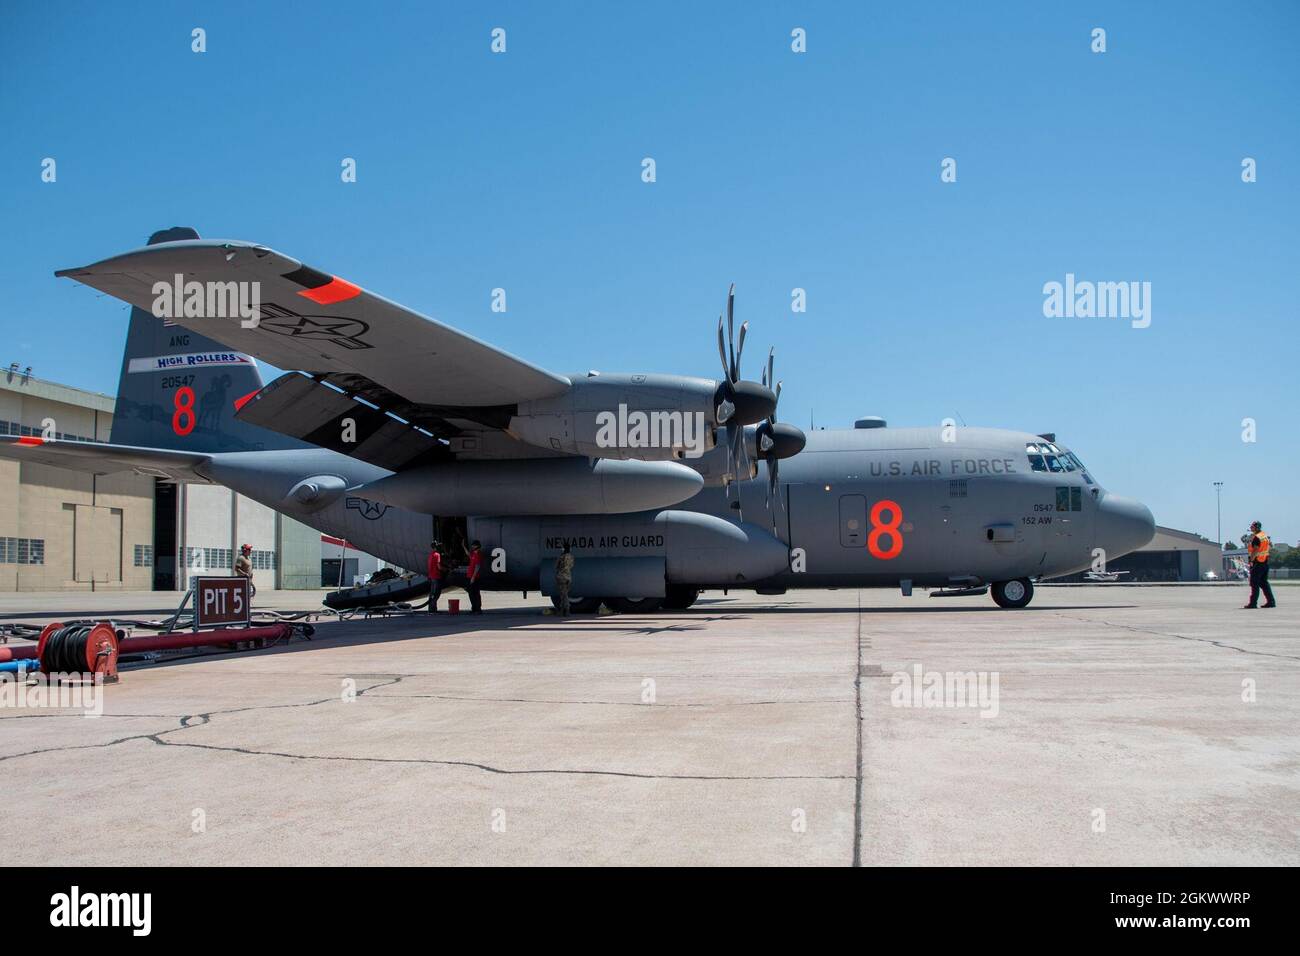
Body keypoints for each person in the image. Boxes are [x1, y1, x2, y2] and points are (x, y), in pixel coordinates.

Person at [1243, 520, 1277, 609]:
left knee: (1254, 583)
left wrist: (1251, 560)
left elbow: (1256, 550)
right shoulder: (1264, 536)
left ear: (1256, 527)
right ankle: (1271, 601)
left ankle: (1253, 603)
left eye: (1252, 526)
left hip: (1257, 563)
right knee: (1264, 583)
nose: (1251, 528)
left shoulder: (1257, 538)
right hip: (1265, 562)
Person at [554, 543, 575, 616]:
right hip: (568, 577)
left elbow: (556, 566)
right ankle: (563, 610)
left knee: (563, 595)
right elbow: (572, 566)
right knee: (565, 594)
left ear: (564, 548)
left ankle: (566, 610)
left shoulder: (561, 557)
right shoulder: (571, 557)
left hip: (561, 577)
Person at [466, 540, 484, 614]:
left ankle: (478, 608)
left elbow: (477, 566)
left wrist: (473, 577)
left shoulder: (478, 555)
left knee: (475, 593)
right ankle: (474, 608)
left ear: (477, 546)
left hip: (475, 577)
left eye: (474, 545)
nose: (472, 546)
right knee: (471, 593)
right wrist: (463, 547)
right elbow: (468, 555)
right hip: (470, 576)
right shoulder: (474, 554)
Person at [427, 540, 444, 612]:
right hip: (436, 576)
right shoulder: (437, 554)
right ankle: (432, 609)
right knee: (437, 593)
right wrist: (445, 569)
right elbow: (439, 566)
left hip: (431, 576)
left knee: (432, 593)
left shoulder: (431, 554)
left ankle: (432, 609)